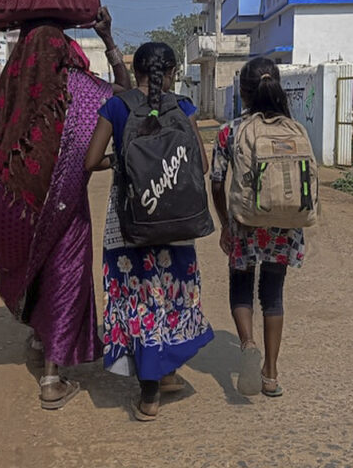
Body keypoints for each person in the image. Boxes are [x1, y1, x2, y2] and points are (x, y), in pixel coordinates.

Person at [0, 8, 132, 410]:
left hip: (12, 204)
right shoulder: (83, 89)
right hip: (64, 207)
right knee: (63, 277)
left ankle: (40, 335)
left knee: (29, 265)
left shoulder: (11, 90)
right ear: (67, 51)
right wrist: (108, 40)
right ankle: (52, 379)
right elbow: (126, 94)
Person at [84, 42, 214, 421]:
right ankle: (167, 371)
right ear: (171, 72)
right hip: (177, 221)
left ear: (135, 68)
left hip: (129, 224)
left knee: (140, 301)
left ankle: (150, 395)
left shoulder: (116, 106)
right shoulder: (184, 107)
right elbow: (201, 166)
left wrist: (121, 161)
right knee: (169, 297)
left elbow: (91, 161)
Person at [210, 57, 306, 398]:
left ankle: (248, 344)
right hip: (283, 223)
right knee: (273, 296)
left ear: (243, 92)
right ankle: (271, 374)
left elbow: (218, 182)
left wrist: (225, 223)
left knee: (241, 289)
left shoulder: (230, 131)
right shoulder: (293, 128)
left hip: (245, 223)